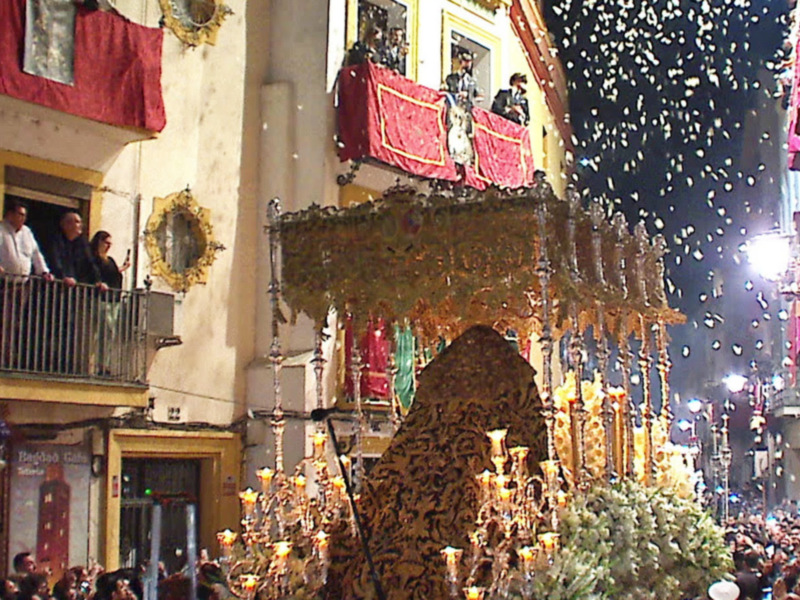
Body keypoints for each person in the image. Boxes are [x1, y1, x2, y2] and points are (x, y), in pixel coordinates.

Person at [47, 211, 106, 374]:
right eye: (76, 222)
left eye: (80, 222)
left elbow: (90, 264)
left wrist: (98, 281)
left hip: (75, 295)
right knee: (55, 327)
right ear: (66, 224)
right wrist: (64, 277)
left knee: (72, 329)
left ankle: (68, 363)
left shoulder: (82, 244)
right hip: (56, 293)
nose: (80, 225)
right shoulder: (57, 241)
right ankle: (52, 362)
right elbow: (54, 260)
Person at [0, 200, 53, 368]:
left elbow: (36, 254)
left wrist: (44, 271)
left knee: (15, 323)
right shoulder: (1, 230)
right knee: (3, 322)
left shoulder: (27, 233)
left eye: (24, 215)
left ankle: (9, 359)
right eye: (19, 214)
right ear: (9, 215)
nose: (23, 218)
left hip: (22, 285)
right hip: (4, 283)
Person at [90, 231, 130, 376]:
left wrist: (123, 268)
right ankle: (99, 365)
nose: (108, 246)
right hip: (103, 300)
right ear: (99, 242)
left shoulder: (110, 260)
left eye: (110, 244)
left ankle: (104, 364)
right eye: (106, 243)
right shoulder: (94, 259)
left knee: (110, 333)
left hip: (115, 300)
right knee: (105, 330)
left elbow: (113, 273)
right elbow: (96, 274)